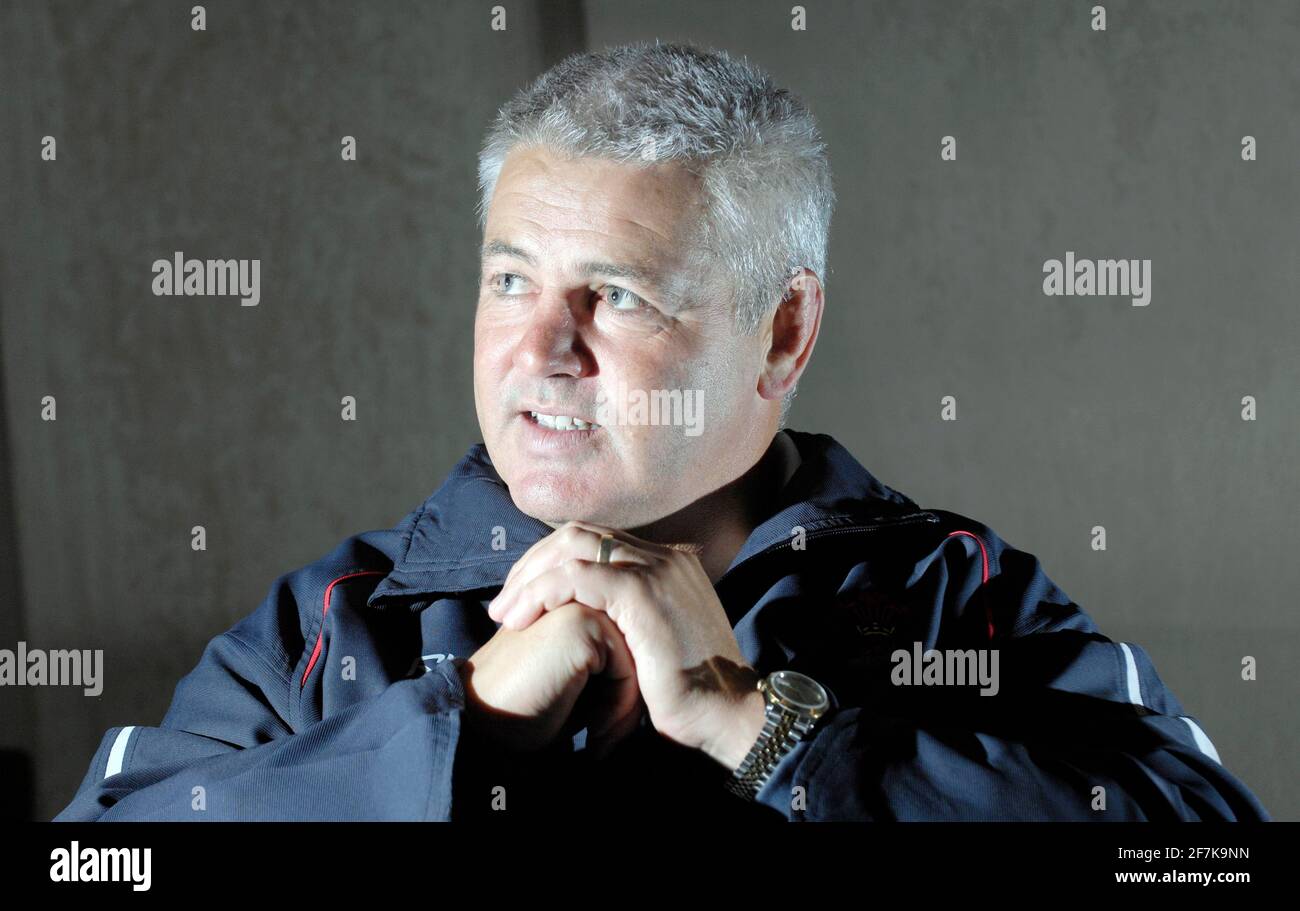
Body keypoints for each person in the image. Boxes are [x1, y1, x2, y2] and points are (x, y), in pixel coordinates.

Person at [55, 42, 1268, 821]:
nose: (541, 347)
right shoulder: (334, 624)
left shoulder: (959, 596)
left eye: (617, 294)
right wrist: (454, 728)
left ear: (782, 333)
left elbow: (1200, 848)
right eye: (511, 280)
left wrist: (767, 728)